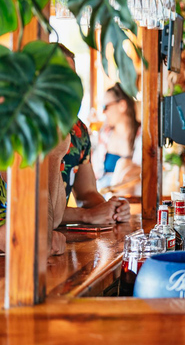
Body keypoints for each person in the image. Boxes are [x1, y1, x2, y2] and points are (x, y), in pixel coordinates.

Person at [53, 45, 131, 226]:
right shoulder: (21, 128)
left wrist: (111, 209)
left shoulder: (77, 129)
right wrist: (85, 216)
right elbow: (30, 211)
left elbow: (87, 193)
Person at [92, 84, 142, 193]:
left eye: (105, 107)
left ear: (122, 105)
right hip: (103, 191)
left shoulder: (141, 135)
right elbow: (95, 169)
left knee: (123, 164)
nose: (103, 112)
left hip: (129, 194)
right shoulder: (105, 135)